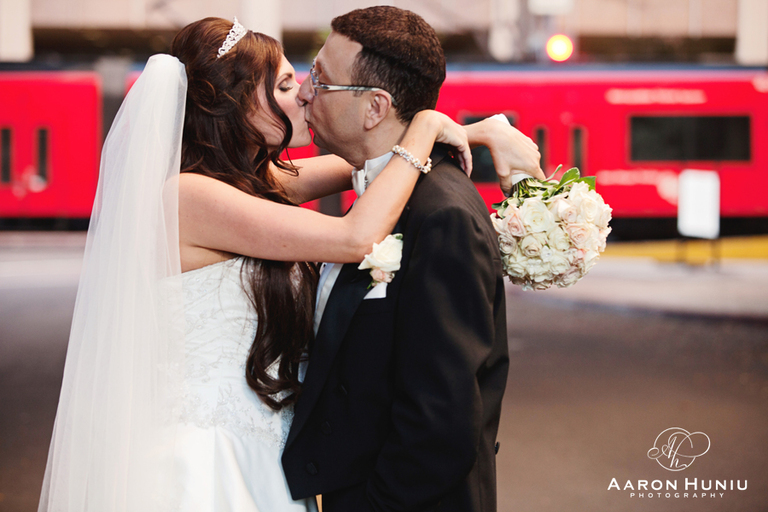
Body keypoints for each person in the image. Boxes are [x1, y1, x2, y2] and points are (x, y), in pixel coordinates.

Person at [38, 15, 540, 512]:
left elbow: (370, 157)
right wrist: (428, 123)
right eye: (284, 84)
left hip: (260, 456)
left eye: (308, 81)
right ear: (234, 106)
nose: (302, 94)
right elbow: (354, 236)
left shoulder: (251, 184)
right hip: (205, 458)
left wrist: (471, 131)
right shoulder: (188, 198)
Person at [280, 7, 533, 512]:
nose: (306, 93)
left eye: (320, 80)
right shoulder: (386, 192)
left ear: (375, 108)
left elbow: (441, 423)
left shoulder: (442, 214)